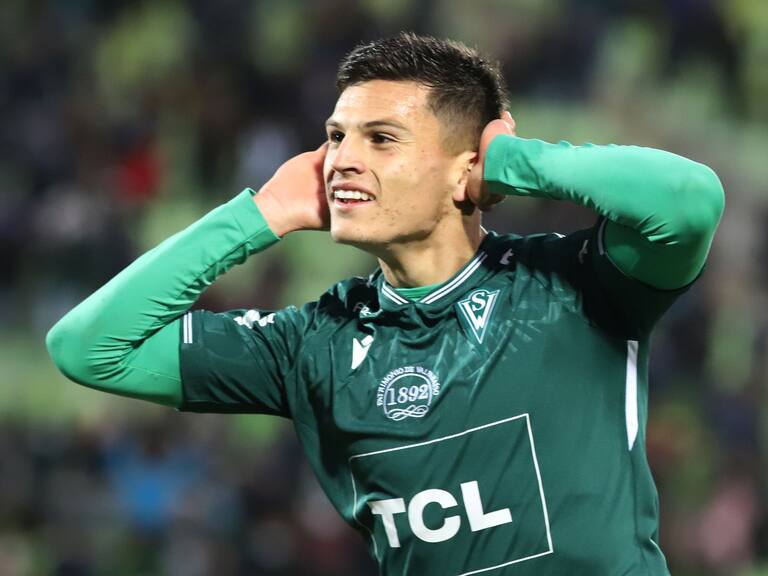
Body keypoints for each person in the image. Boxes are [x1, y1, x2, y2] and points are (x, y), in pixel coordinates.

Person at [46, 32, 724, 575]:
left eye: (381, 138)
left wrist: (516, 163)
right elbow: (88, 348)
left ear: (465, 167)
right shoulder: (315, 342)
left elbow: (690, 202)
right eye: (336, 136)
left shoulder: (574, 285)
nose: (342, 159)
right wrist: (259, 214)